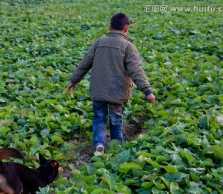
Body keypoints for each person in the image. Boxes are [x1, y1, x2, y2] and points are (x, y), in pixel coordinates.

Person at [66, 12, 156, 153]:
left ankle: (99, 145)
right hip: (117, 90)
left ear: (110, 27)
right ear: (126, 29)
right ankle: (116, 146)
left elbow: (84, 63)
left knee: (99, 119)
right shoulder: (128, 46)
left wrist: (73, 80)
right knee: (116, 119)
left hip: (98, 91)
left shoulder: (99, 43)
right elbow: (136, 70)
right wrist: (147, 90)